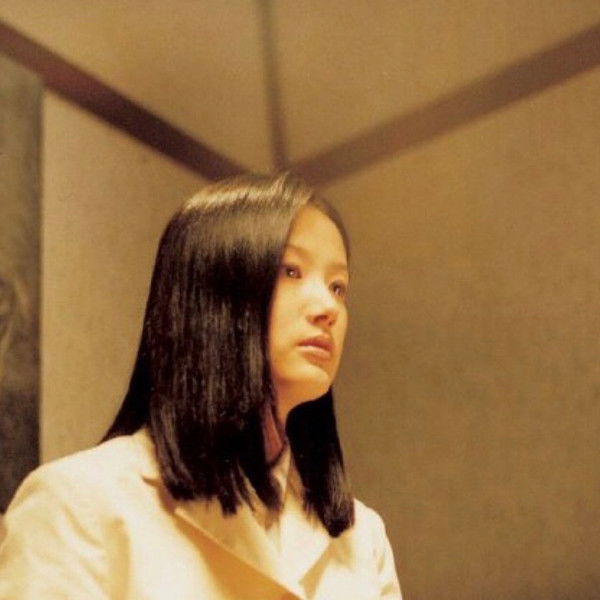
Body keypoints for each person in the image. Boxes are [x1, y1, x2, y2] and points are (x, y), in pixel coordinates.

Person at [0, 173, 402, 599]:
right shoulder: (78, 505)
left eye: (338, 287)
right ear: (213, 294)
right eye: (291, 270)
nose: (328, 307)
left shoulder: (362, 539)